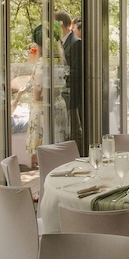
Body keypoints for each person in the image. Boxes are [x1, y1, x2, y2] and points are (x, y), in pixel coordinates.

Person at [24, 23, 68, 167]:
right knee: (57, 146)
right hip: (59, 103)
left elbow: (37, 87)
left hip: (44, 107)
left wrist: (34, 97)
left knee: (44, 151)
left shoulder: (43, 63)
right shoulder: (59, 60)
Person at [54, 9, 83, 153]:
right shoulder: (58, 43)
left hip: (72, 95)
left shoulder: (76, 43)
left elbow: (77, 71)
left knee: (74, 129)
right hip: (63, 94)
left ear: (60, 24)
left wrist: (61, 75)